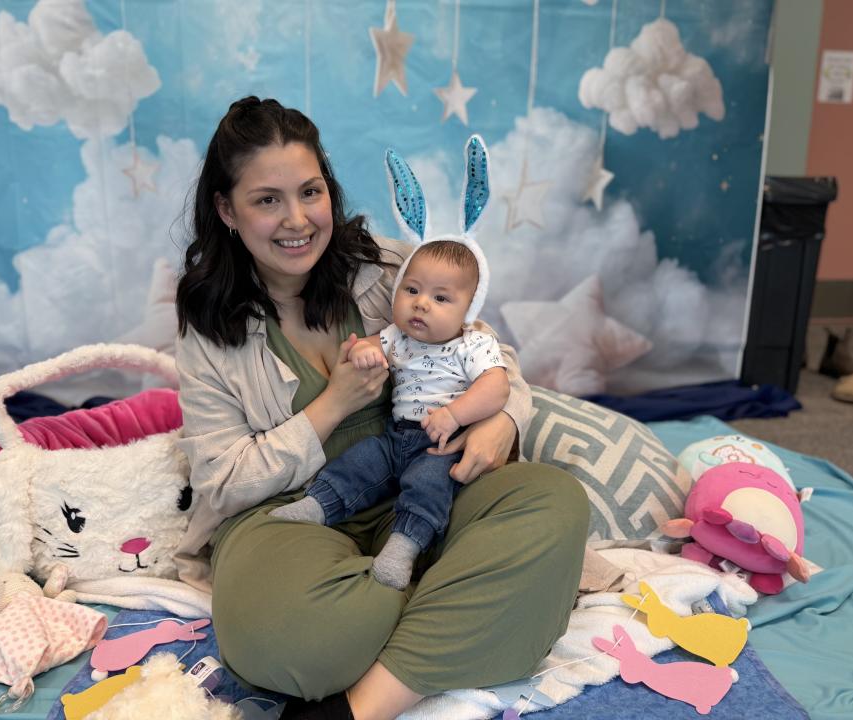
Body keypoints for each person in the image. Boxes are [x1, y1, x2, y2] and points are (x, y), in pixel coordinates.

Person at [173, 96, 589, 720]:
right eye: (267, 200)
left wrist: (502, 421)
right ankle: (462, 603)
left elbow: (491, 360)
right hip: (293, 517)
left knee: (555, 503)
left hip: (428, 487)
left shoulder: (390, 267)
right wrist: (333, 405)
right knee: (277, 639)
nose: (297, 220)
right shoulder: (210, 327)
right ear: (227, 210)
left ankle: (360, 706)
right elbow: (224, 481)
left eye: (310, 192)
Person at [271, 220, 510, 591]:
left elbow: (496, 388)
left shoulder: (472, 345)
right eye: (412, 290)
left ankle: (404, 546)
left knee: (428, 484)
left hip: (444, 443)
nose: (421, 304)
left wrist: (454, 414)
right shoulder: (398, 336)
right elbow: (366, 344)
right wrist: (362, 353)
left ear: (468, 309)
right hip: (396, 437)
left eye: (441, 298)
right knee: (361, 461)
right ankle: (318, 506)